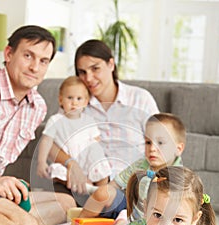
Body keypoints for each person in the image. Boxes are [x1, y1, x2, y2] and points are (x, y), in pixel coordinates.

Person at [0, 25, 76, 225]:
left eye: (43, 61)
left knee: (66, 203)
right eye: (28, 56)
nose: (34, 67)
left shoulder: (37, 107)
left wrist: (6, 184)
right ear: (8, 54)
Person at [51, 39, 159, 194]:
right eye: (82, 72)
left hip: (130, 187)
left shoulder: (140, 98)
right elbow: (52, 144)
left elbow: (161, 146)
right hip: (85, 185)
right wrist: (71, 164)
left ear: (111, 64)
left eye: (95, 69)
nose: (88, 78)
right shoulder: (75, 102)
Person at [60, 112, 186, 225]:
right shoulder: (141, 165)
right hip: (130, 208)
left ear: (178, 149)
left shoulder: (179, 176)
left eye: (160, 143)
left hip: (152, 220)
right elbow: (115, 184)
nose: (152, 149)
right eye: (148, 142)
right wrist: (100, 192)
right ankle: (79, 224)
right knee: (105, 192)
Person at [37, 75, 111, 187]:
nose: (74, 103)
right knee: (57, 173)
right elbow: (46, 141)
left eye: (79, 99)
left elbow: (96, 142)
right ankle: (85, 185)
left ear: (86, 102)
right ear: (60, 100)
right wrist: (41, 162)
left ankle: (100, 190)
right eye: (70, 98)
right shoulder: (56, 120)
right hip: (66, 164)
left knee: (102, 167)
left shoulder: (89, 121)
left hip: (87, 161)